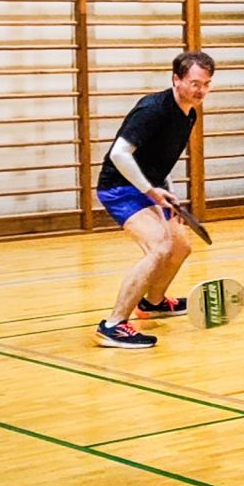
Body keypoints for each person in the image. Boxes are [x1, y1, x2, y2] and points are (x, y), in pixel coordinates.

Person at [94, 51, 215, 349]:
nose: (201, 90)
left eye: (207, 84)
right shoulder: (153, 110)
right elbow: (119, 154)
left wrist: (165, 191)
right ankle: (113, 325)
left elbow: (160, 159)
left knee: (181, 246)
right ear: (176, 79)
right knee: (159, 246)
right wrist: (150, 191)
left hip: (149, 187)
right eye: (194, 83)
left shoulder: (188, 113)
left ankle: (153, 303)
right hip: (120, 188)